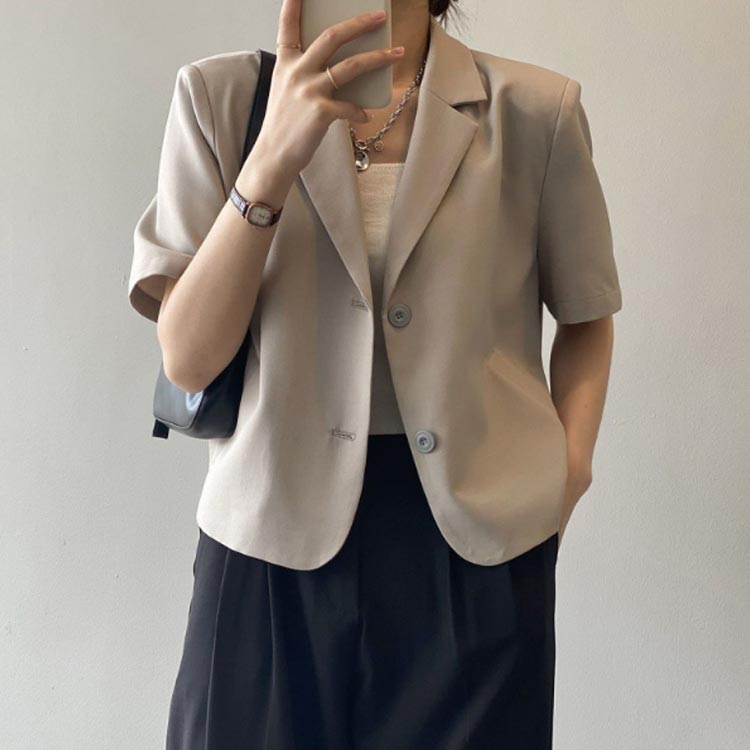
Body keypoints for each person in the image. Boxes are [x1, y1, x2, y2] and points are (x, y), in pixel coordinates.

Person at [127, 0, 623, 747]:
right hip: (268, 539)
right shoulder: (218, 99)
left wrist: (568, 473)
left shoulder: (534, 110)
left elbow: (586, 315)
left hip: (475, 546)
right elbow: (190, 359)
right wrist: (271, 160)